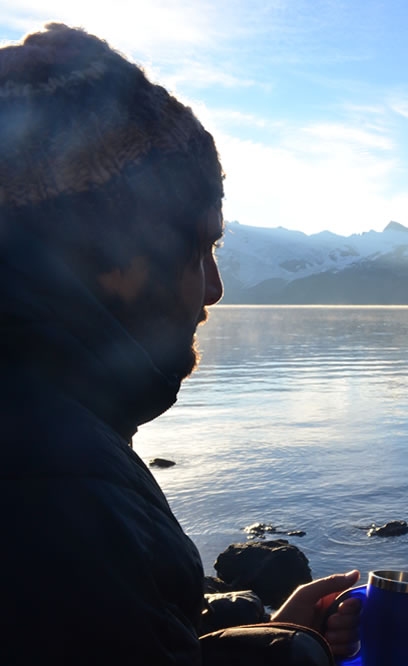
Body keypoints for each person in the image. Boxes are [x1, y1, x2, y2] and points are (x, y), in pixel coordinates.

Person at [0, 23, 359, 664]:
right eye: (201, 247)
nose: (214, 289)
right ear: (114, 254)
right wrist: (296, 653)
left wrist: (272, 628)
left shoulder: (48, 423)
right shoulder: (54, 484)